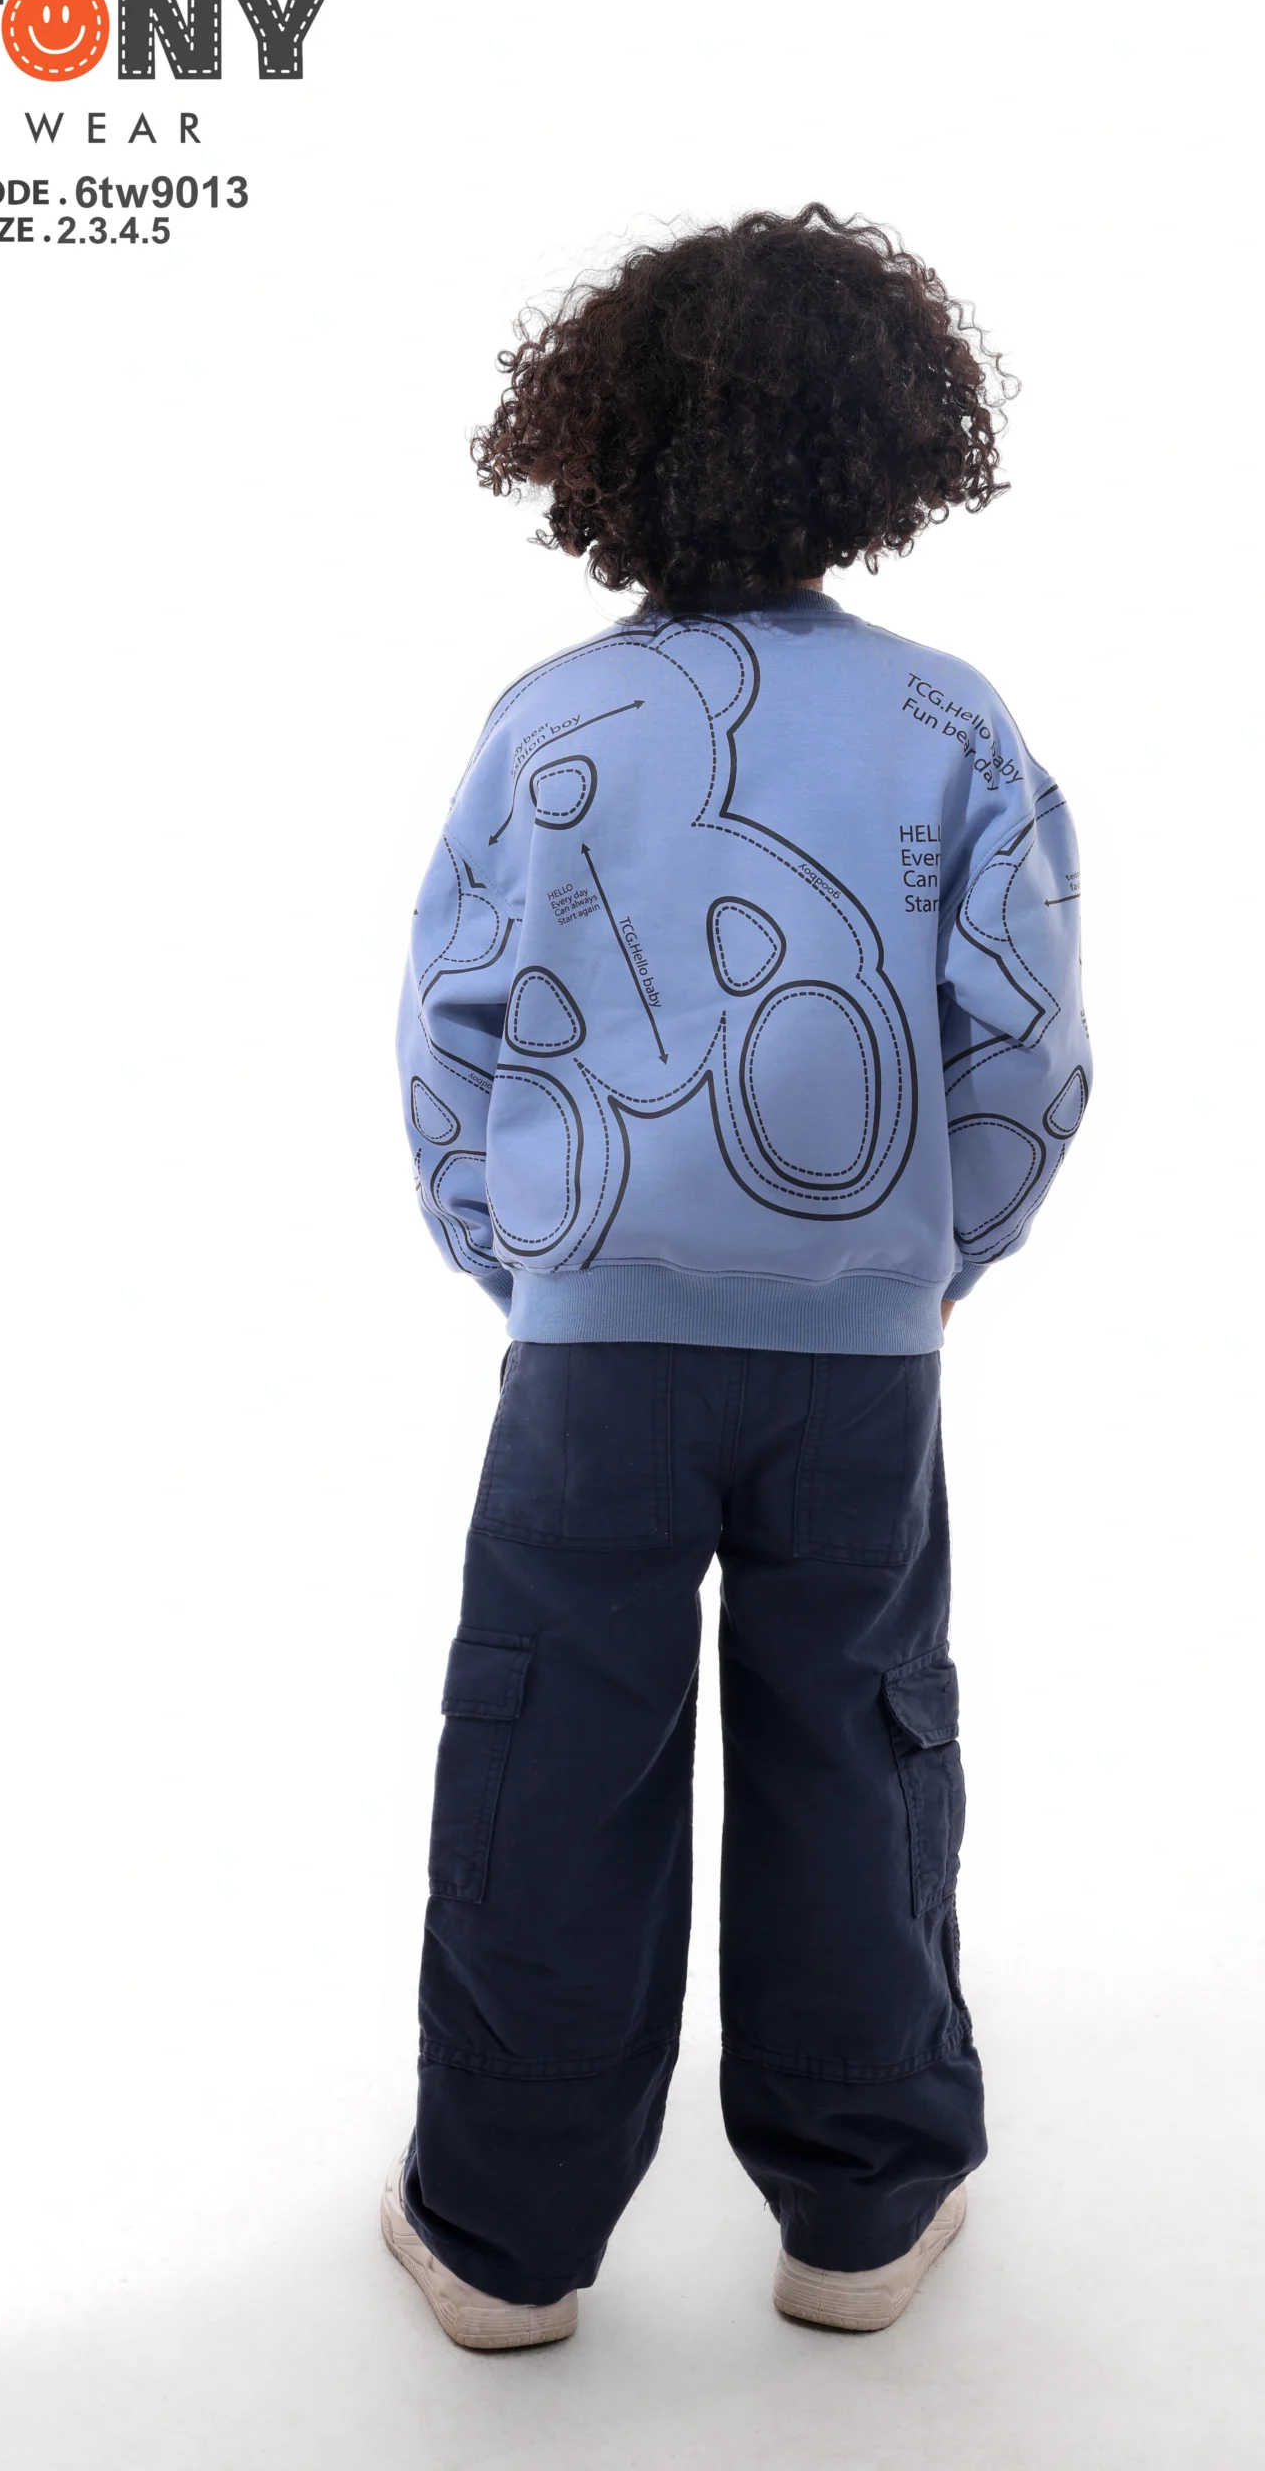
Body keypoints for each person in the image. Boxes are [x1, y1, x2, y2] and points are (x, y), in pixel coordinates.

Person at [384, 203, 1091, 2349]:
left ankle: (499, 2240)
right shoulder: (948, 720)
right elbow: (1022, 1046)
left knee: (547, 1753)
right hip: (856, 1358)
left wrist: (528, 1264)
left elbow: (449, 1033)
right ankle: (860, 2215)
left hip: (590, 1357)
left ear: (593, 444)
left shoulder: (548, 719)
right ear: (890, 442)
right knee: (855, 1746)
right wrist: (934, 1262)